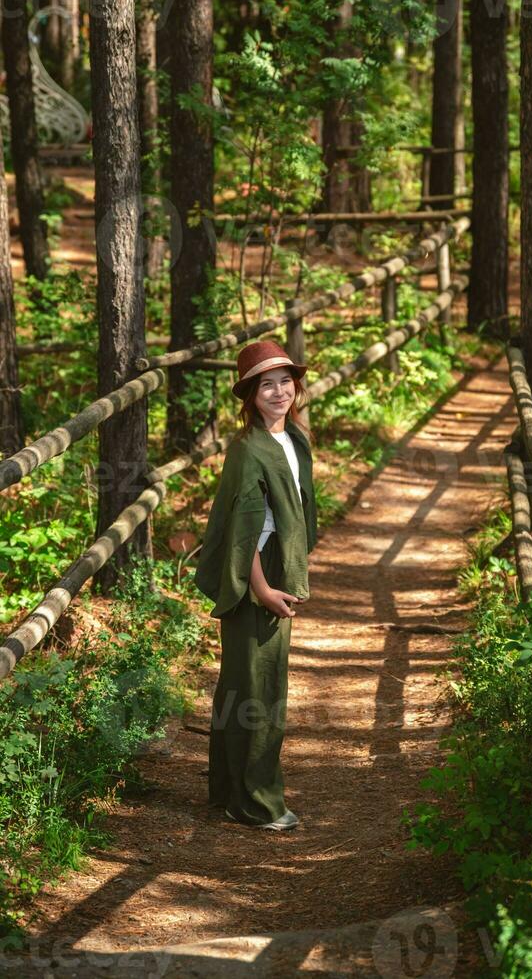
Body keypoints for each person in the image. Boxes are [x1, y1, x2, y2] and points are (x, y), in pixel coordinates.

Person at [194, 339, 318, 831]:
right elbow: (244, 534)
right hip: (253, 576)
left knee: (239, 683)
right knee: (260, 691)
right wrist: (263, 589)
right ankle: (257, 802)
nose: (279, 391)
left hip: (271, 571)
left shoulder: (294, 440)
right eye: (266, 384)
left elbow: (296, 511)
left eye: (285, 380)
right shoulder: (248, 451)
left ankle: (226, 788)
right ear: (249, 395)